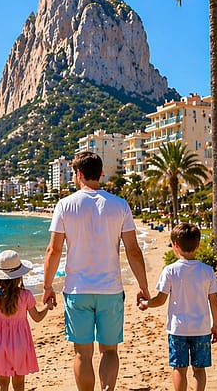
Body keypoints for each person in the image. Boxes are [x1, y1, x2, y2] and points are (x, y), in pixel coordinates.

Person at [42, 151, 150, 391]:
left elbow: (53, 250)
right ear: (101, 173)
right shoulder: (119, 205)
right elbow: (133, 250)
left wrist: (47, 286)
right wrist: (143, 286)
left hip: (77, 291)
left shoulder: (65, 205)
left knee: (82, 353)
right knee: (109, 350)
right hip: (110, 290)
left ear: (78, 174)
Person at [137, 222, 217, 391]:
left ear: (175, 246)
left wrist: (146, 303)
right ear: (198, 245)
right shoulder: (207, 271)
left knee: (179, 368)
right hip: (201, 329)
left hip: (178, 329)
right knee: (199, 370)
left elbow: (160, 300)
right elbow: (214, 301)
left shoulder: (170, 271)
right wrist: (216, 326)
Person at [0, 250, 52, 391]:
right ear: (19, 276)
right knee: (19, 383)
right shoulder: (26, 295)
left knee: (2, 382)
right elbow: (37, 317)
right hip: (20, 342)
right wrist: (47, 306)